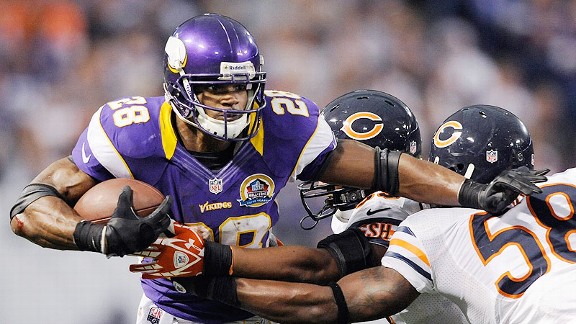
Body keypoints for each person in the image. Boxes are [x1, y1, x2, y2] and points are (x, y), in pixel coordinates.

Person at [9, 12, 544, 324]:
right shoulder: (129, 132)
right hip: (177, 316)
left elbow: (386, 170)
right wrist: (93, 236)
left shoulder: (281, 124)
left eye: (244, 89)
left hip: (262, 301)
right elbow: (29, 207)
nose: (236, 103)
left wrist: (473, 193)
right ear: (178, 89)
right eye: (219, 91)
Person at [153, 105, 555, 323]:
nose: (327, 172)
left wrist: (215, 265)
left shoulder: (407, 218)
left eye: (341, 160)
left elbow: (321, 273)